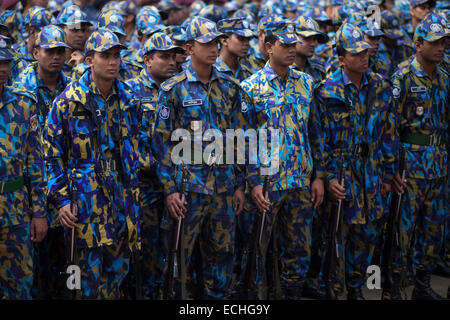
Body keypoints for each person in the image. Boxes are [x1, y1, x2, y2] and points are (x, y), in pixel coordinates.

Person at [152, 17, 246, 299]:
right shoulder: (173, 89)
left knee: (222, 256)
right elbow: (161, 143)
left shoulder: (229, 87)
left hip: (223, 188)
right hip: (187, 189)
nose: (214, 48)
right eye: (206, 43)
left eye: (216, 42)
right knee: (179, 259)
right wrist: (169, 190)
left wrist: (240, 183)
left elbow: (238, 137)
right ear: (190, 48)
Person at [45, 29, 141, 299]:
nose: (113, 62)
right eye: (105, 56)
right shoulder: (68, 102)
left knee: (116, 278)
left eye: (116, 56)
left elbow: (138, 145)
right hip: (85, 206)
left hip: (122, 204)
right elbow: (51, 156)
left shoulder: (129, 99)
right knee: (81, 282)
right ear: (89, 60)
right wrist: (62, 200)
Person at [240, 20, 325, 300]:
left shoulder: (305, 83)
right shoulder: (250, 87)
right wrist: (252, 183)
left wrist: (319, 177)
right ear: (268, 47)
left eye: (293, 44)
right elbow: (245, 141)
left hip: (300, 181)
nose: (292, 50)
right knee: (257, 248)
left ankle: (293, 293)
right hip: (267, 183)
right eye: (284, 45)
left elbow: (314, 132)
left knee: (299, 248)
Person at [314, 23, 397, 300]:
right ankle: (333, 289)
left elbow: (388, 131)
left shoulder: (380, 85)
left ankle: (354, 287)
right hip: (342, 170)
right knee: (338, 235)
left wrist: (388, 173)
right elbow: (320, 139)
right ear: (341, 58)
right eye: (356, 53)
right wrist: (327, 178)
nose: (364, 57)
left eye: (366, 52)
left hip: (372, 170)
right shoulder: (328, 91)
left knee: (369, 232)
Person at [391, 12, 448, 300]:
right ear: (418, 44)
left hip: (438, 164)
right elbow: (389, 130)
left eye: (444, 42)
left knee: (433, 227)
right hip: (409, 165)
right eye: (435, 42)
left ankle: (423, 284)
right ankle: (396, 285)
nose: (441, 47)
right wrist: (393, 170)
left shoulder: (445, 78)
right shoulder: (402, 77)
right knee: (404, 229)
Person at [14, 24, 72, 299]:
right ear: (36, 52)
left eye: (61, 51)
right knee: (32, 269)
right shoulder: (22, 88)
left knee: (65, 267)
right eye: (50, 51)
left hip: (64, 188)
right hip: (33, 191)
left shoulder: (73, 87)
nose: (56, 57)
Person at [126, 32, 184, 300]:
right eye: (164, 57)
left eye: (174, 57)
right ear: (147, 60)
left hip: (176, 183)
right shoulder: (130, 91)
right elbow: (127, 139)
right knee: (144, 251)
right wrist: (153, 164)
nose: (171, 62)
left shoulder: (179, 90)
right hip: (144, 185)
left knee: (171, 248)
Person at [0, 34, 47, 299]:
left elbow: (35, 162)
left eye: (6, 62)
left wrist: (38, 212)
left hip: (15, 208)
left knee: (20, 284)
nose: (2, 68)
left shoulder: (23, 103)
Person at [215, 17, 255, 82]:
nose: (247, 43)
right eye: (241, 39)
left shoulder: (247, 74)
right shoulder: (211, 71)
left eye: (248, 39)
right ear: (224, 41)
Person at [293, 16, 328, 83]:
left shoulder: (318, 69)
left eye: (315, 39)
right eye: (307, 38)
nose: (313, 44)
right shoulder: (282, 69)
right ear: (293, 38)